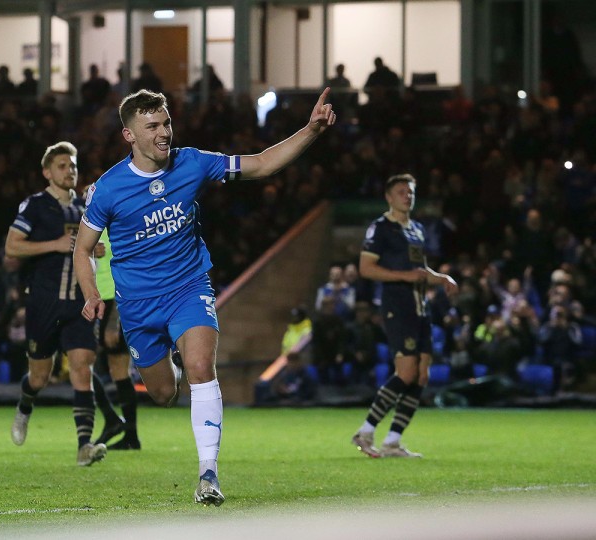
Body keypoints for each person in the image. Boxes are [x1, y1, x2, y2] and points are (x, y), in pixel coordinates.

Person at [73, 88, 336, 505]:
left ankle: (208, 474)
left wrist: (310, 131)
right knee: (162, 394)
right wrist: (91, 293)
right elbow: (82, 249)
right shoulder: (108, 189)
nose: (164, 133)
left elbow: (262, 164)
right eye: (153, 127)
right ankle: (170, 363)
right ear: (129, 135)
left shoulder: (192, 162)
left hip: (188, 287)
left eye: (167, 123)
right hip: (139, 308)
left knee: (200, 365)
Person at [6, 141, 108, 467]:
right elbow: (13, 247)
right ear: (47, 172)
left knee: (82, 367)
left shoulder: (87, 209)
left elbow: (91, 247)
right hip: (44, 302)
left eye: (73, 165)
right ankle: (25, 406)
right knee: (39, 378)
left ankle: (84, 446)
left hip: (80, 302)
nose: (70, 171)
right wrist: (57, 244)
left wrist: (94, 251)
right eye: (62, 166)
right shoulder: (35, 206)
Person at [350, 174, 458, 459]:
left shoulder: (417, 229)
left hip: (420, 305)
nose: (407, 196)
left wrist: (442, 278)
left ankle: (393, 441)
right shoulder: (381, 228)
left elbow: (420, 270)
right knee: (406, 371)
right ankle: (365, 431)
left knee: (421, 375)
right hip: (397, 304)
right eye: (401, 192)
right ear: (389, 197)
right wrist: (403, 276)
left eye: (410, 192)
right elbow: (366, 268)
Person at [91, 228, 141, 450]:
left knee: (119, 369)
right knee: (106, 368)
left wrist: (114, 319)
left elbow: (129, 269)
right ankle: (123, 429)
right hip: (97, 301)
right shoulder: (91, 223)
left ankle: (129, 434)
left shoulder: (119, 224)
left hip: (116, 303)